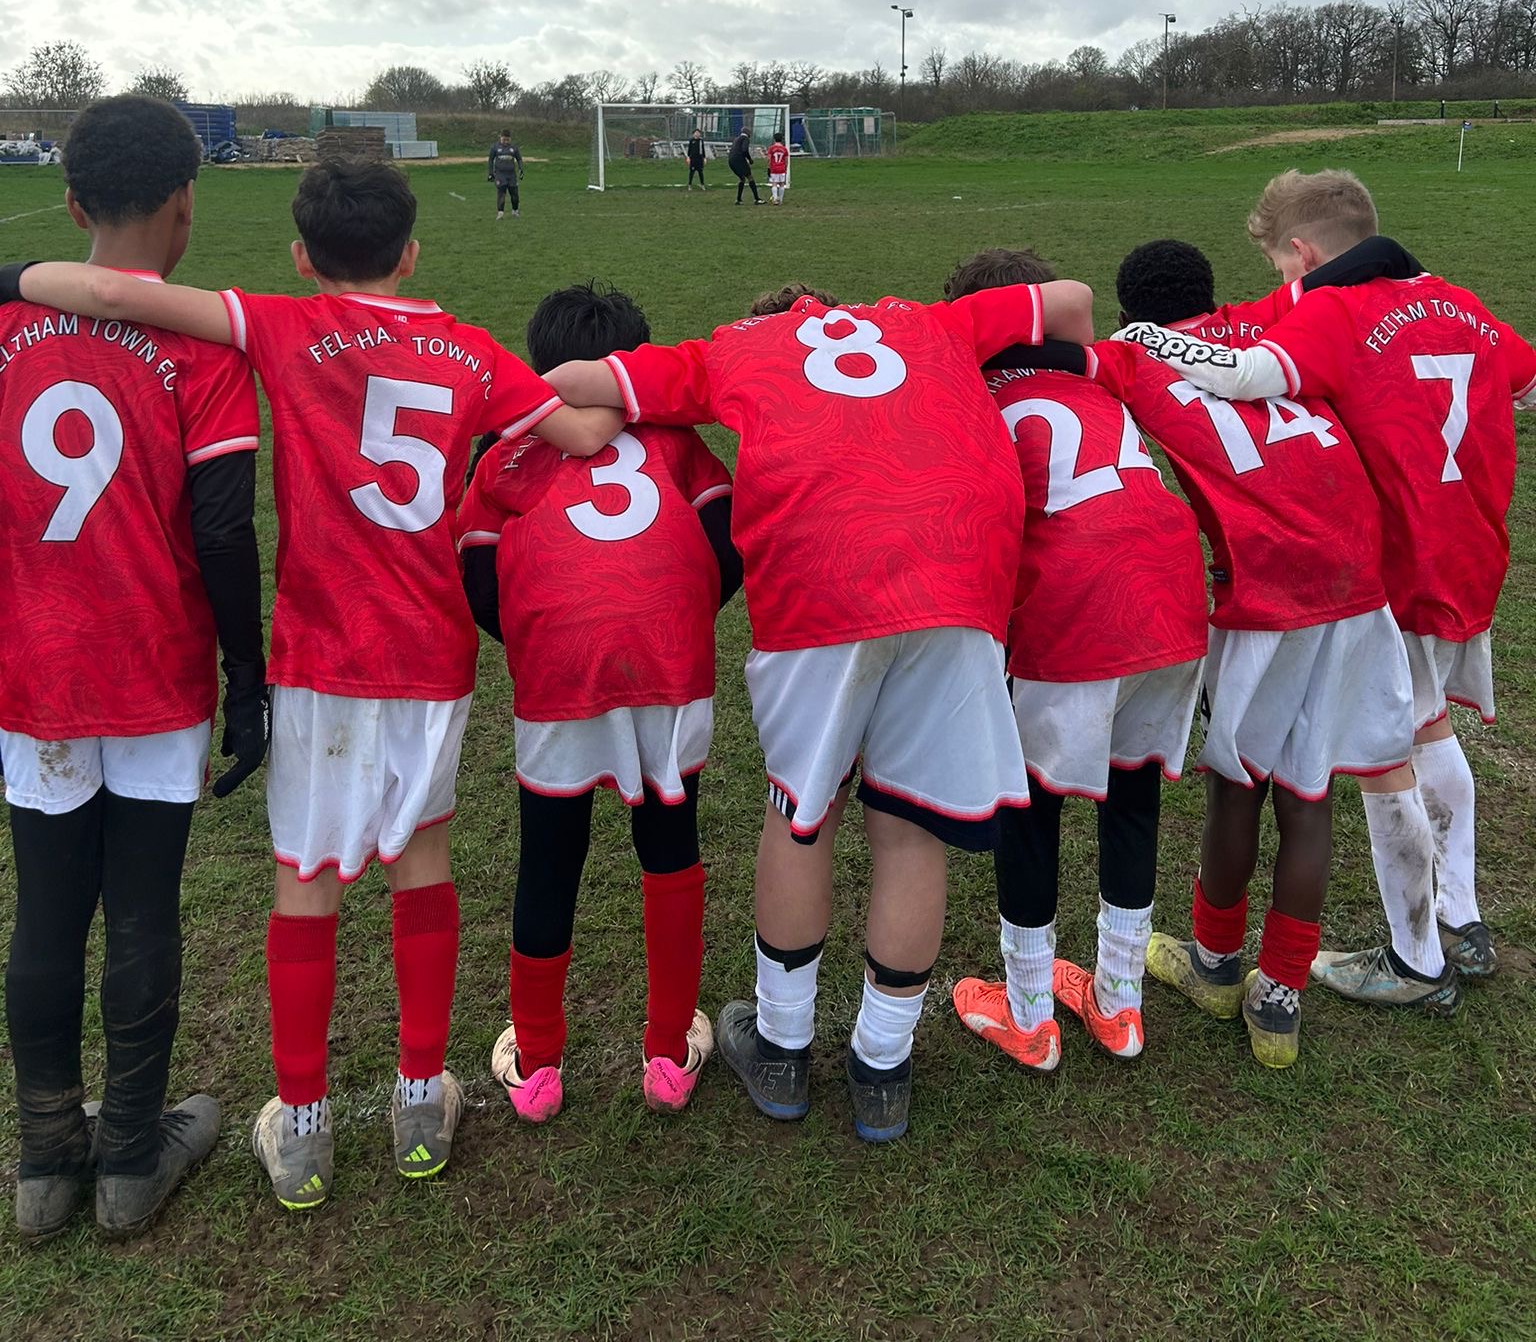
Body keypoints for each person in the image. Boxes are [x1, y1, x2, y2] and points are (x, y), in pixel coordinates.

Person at [2, 159, 623, 1209]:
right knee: (420, 860)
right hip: (428, 656)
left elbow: (112, 291)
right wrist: (603, 382)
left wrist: (16, 274)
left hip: (321, 656)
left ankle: (303, 1128)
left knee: (307, 874)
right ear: (414, 250)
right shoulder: (471, 351)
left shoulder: (283, 323)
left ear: (300, 254)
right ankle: (422, 1098)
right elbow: (587, 432)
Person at [540, 271, 1095, 1142]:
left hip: (823, 573)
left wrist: (614, 421)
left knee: (803, 811)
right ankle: (882, 1064)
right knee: (911, 830)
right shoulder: (930, 320)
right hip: (959, 562)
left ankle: (784, 1044)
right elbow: (1068, 295)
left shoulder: (730, 348)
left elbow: (574, 382)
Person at [1117, 171, 1536, 1012]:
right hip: (1464, 543)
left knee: (1388, 759)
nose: (1279, 282)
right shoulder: (1459, 300)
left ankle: (1417, 959)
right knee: (1424, 727)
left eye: (1278, 267)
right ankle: (1461, 913)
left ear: (1302, 255)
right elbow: (1525, 384)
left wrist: (1146, 340)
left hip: (1382, 555)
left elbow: (1241, 373)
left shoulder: (1331, 312)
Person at [0, 98, 265, 1241]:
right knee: (144, 902)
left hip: (34, 669)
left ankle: (45, 1159)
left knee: (49, 904)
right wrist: (249, 673)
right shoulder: (203, 346)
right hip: (154, 668)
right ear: (185, 204)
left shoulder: (4, 324)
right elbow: (221, 529)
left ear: (69, 204)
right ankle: (128, 1158)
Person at [1101, 236, 1416, 1063]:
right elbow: (1346, 270)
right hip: (1356, 573)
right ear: (1211, 296)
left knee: (1238, 787)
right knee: (1309, 791)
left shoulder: (1130, 357)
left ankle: (1213, 967)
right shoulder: (1265, 329)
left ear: (1131, 313)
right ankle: (1279, 1000)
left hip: (1268, 586)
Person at [456, 283, 743, 1123]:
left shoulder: (506, 451)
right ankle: (665, 1054)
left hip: (560, 675)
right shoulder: (679, 443)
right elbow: (729, 544)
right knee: (669, 843)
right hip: (669, 665)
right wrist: (677, 619)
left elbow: (476, 573)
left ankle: (539, 1062)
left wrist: (543, 636)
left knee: (550, 854)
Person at [943, 250, 1208, 1074]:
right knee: (1130, 794)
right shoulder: (1098, 379)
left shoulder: (970, 398)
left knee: (1032, 803)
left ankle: (1028, 1014)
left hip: (1078, 603)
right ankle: (1119, 1002)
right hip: (1169, 593)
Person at [488, 131, 524, 220]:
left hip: (511, 175)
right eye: (504, 139)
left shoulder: (513, 148)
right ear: (500, 138)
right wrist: (490, 173)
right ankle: (500, 213)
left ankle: (515, 211)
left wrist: (521, 169)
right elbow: (490, 160)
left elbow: (519, 159)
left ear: (510, 139)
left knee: (515, 195)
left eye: (507, 140)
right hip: (500, 175)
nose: (505, 142)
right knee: (501, 194)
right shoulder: (495, 147)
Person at [727, 130, 760, 206]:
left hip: (731, 160)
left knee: (742, 178)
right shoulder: (745, 138)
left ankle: (738, 199)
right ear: (748, 133)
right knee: (750, 177)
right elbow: (744, 149)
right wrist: (750, 159)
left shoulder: (736, 139)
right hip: (739, 159)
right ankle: (757, 199)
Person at [766, 134, 790, 206]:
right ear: (782, 139)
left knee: (774, 183)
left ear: (774, 139)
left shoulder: (771, 148)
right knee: (782, 183)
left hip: (774, 168)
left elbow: (769, 159)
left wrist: (768, 168)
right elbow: (786, 160)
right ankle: (781, 200)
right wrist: (785, 168)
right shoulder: (784, 149)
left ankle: (775, 199)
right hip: (782, 168)